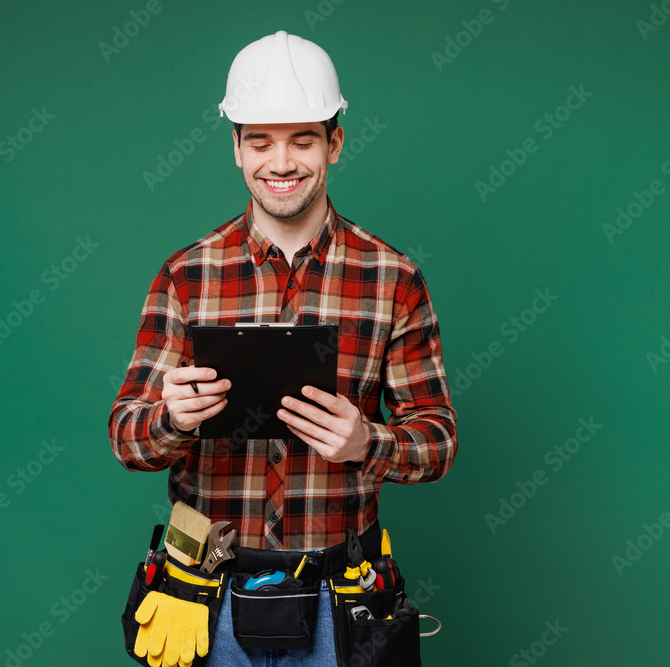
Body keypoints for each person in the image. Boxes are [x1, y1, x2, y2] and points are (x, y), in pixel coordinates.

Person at [110, 30, 457, 667]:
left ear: (335, 143)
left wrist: (366, 444)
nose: (282, 161)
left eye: (302, 140)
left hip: (339, 598)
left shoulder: (393, 279)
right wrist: (172, 419)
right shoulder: (187, 277)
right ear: (236, 149)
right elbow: (128, 439)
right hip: (204, 595)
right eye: (261, 141)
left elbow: (437, 442)